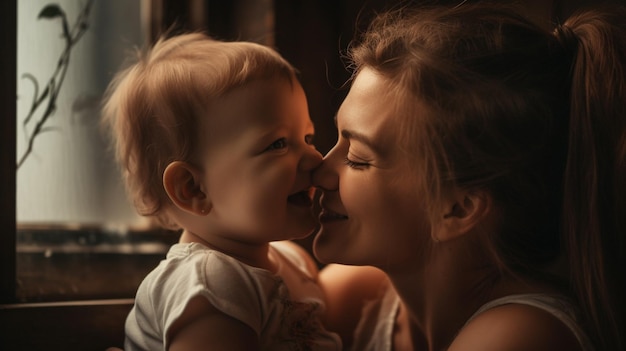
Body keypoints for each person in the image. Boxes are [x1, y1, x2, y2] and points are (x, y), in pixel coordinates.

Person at [312, 2, 626, 351]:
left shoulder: (521, 335)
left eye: (357, 159)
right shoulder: (360, 294)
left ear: (459, 209)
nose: (320, 171)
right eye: (337, 138)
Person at [102, 32, 341, 350]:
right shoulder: (210, 283)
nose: (315, 158)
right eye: (278, 144)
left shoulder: (291, 261)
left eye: (308, 138)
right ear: (193, 189)